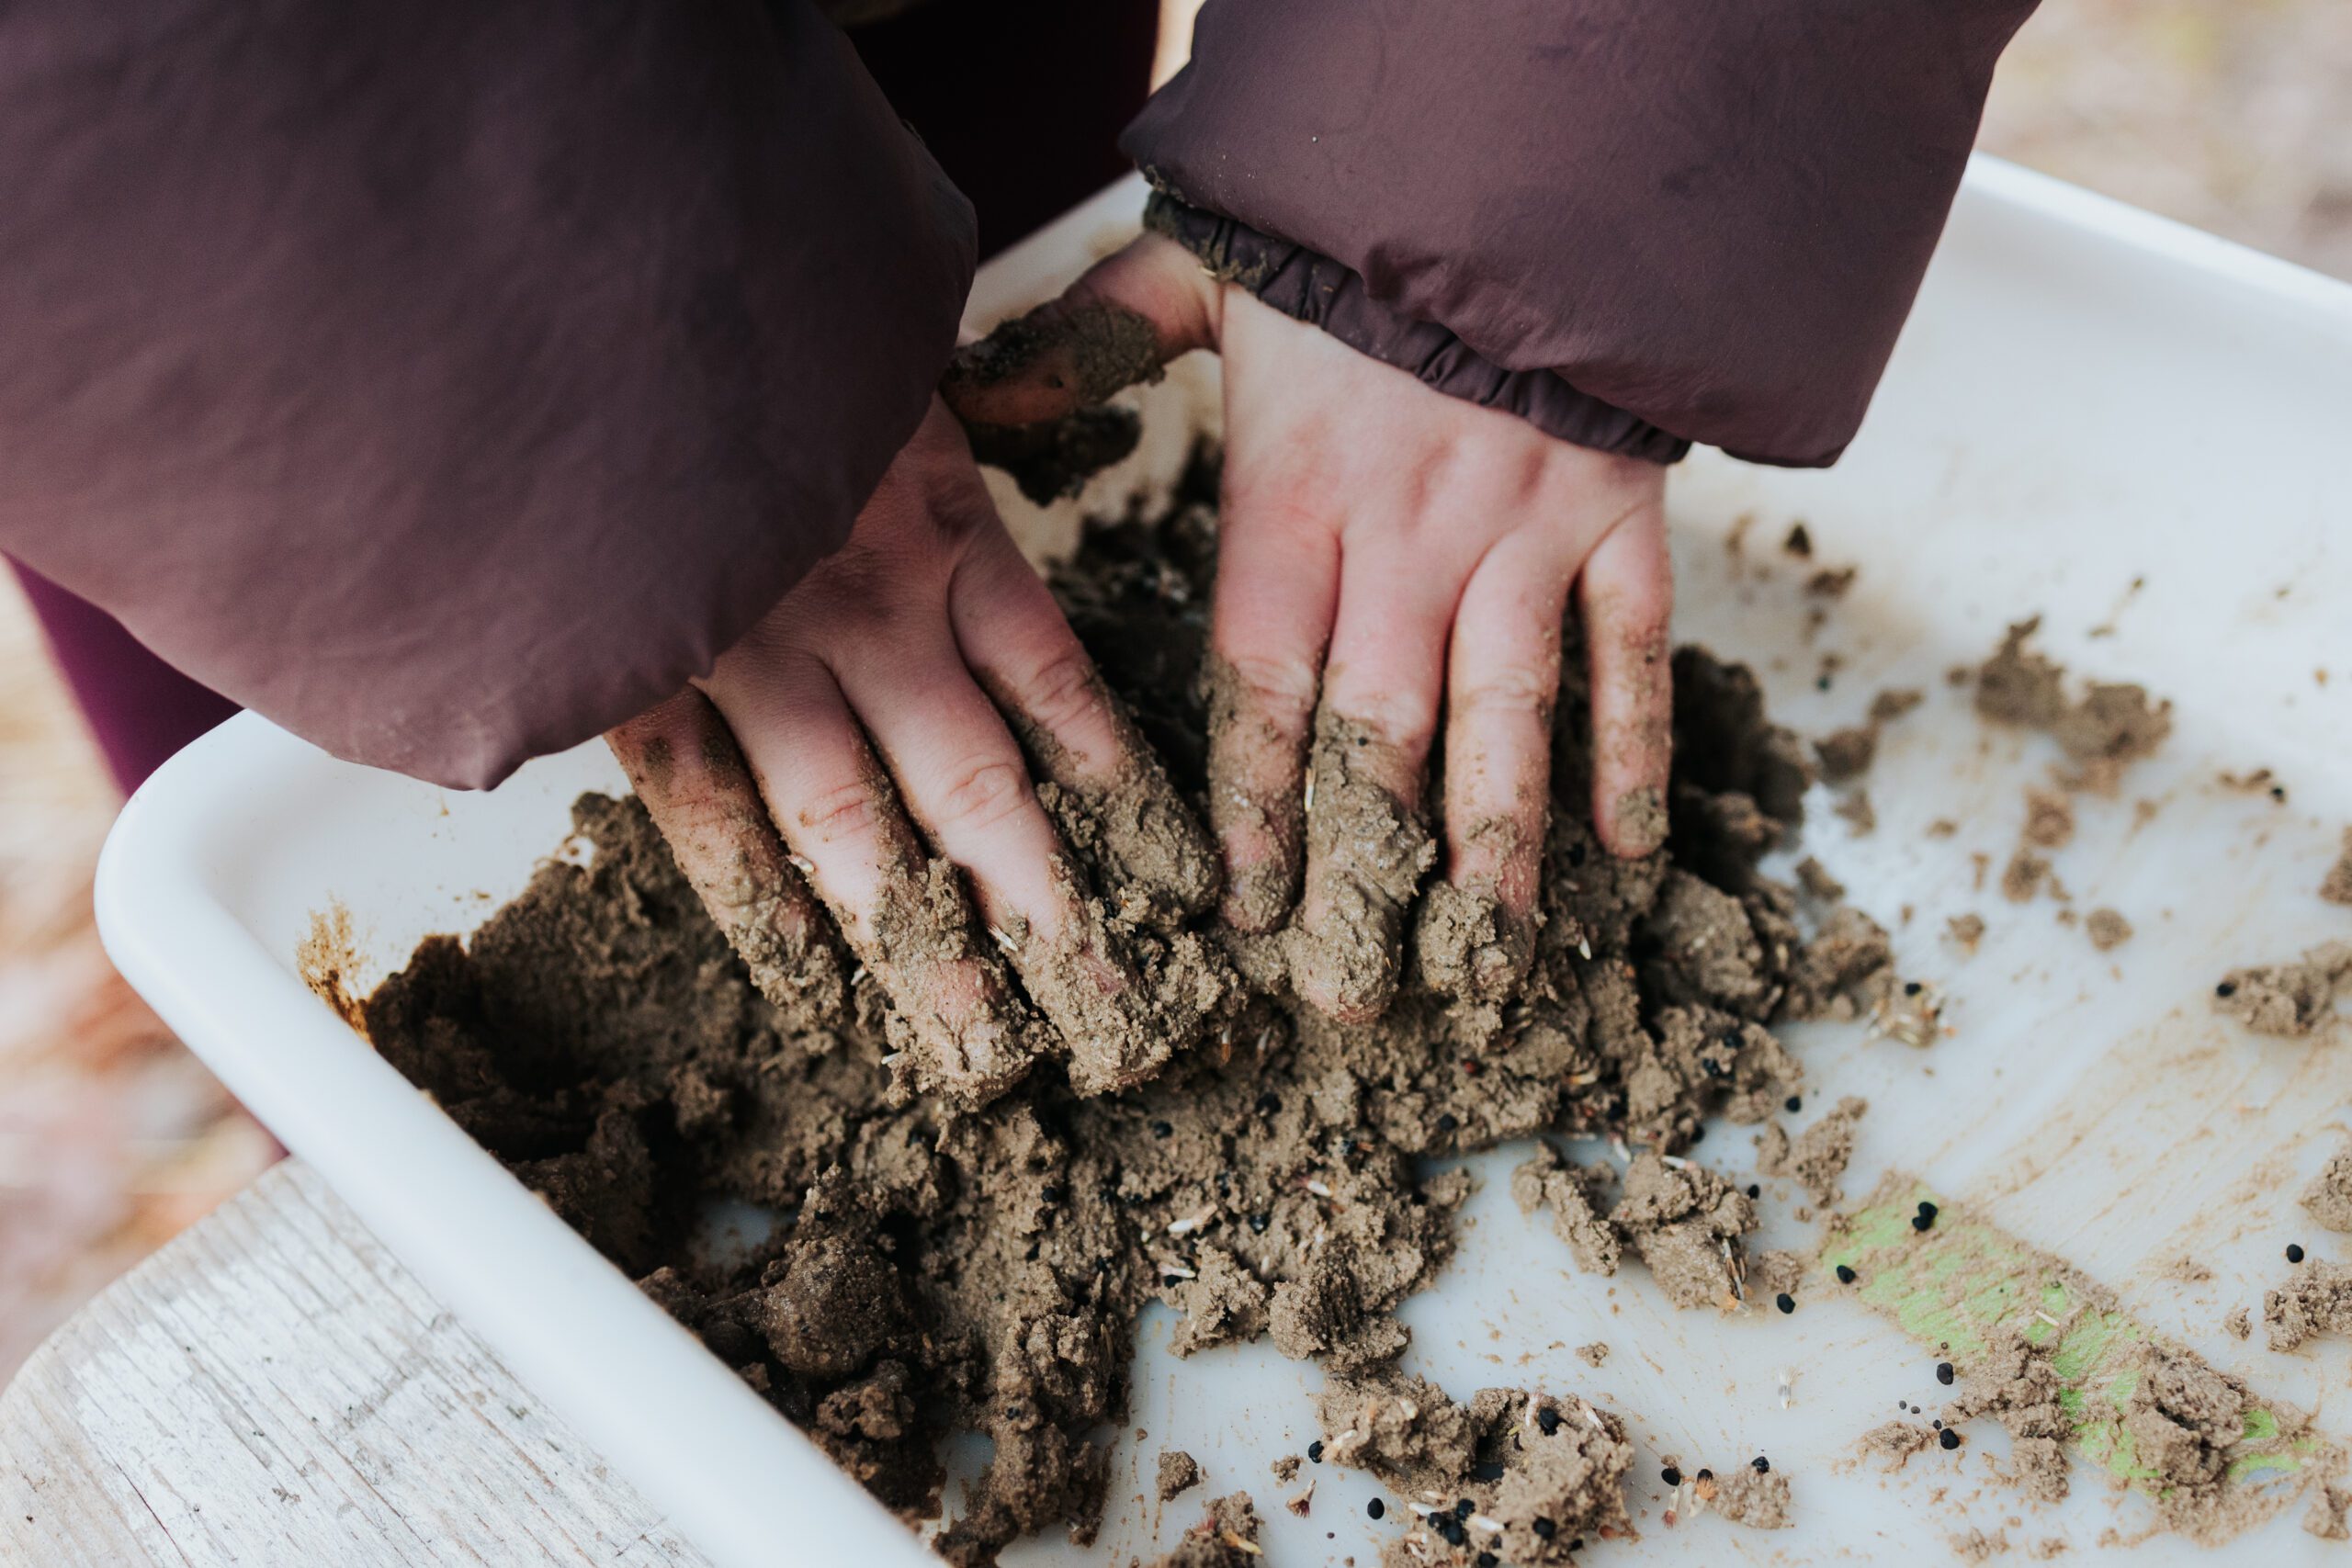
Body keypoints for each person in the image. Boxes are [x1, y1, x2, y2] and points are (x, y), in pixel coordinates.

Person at [0, 0, 2037, 1093]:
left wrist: (1511, 173)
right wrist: (535, 424)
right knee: (365, 807)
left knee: (987, 292)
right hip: (228, 289)